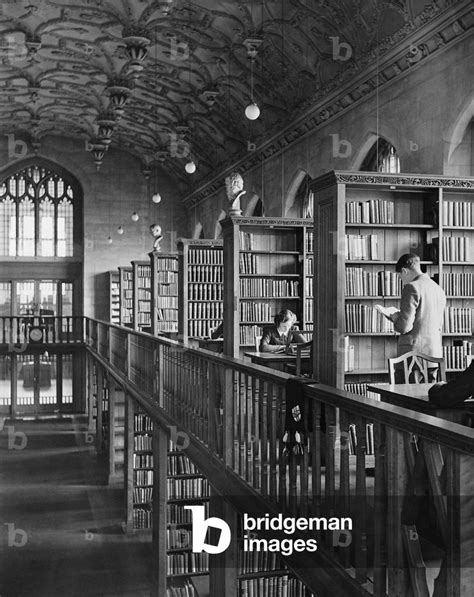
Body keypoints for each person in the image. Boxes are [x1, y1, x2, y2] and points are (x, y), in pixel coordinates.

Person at [385, 253, 446, 357]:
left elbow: (404, 327)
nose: (402, 281)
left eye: (400, 277)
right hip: (434, 353)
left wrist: (395, 318)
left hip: (414, 354)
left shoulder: (411, 287)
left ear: (404, 271)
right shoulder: (438, 289)